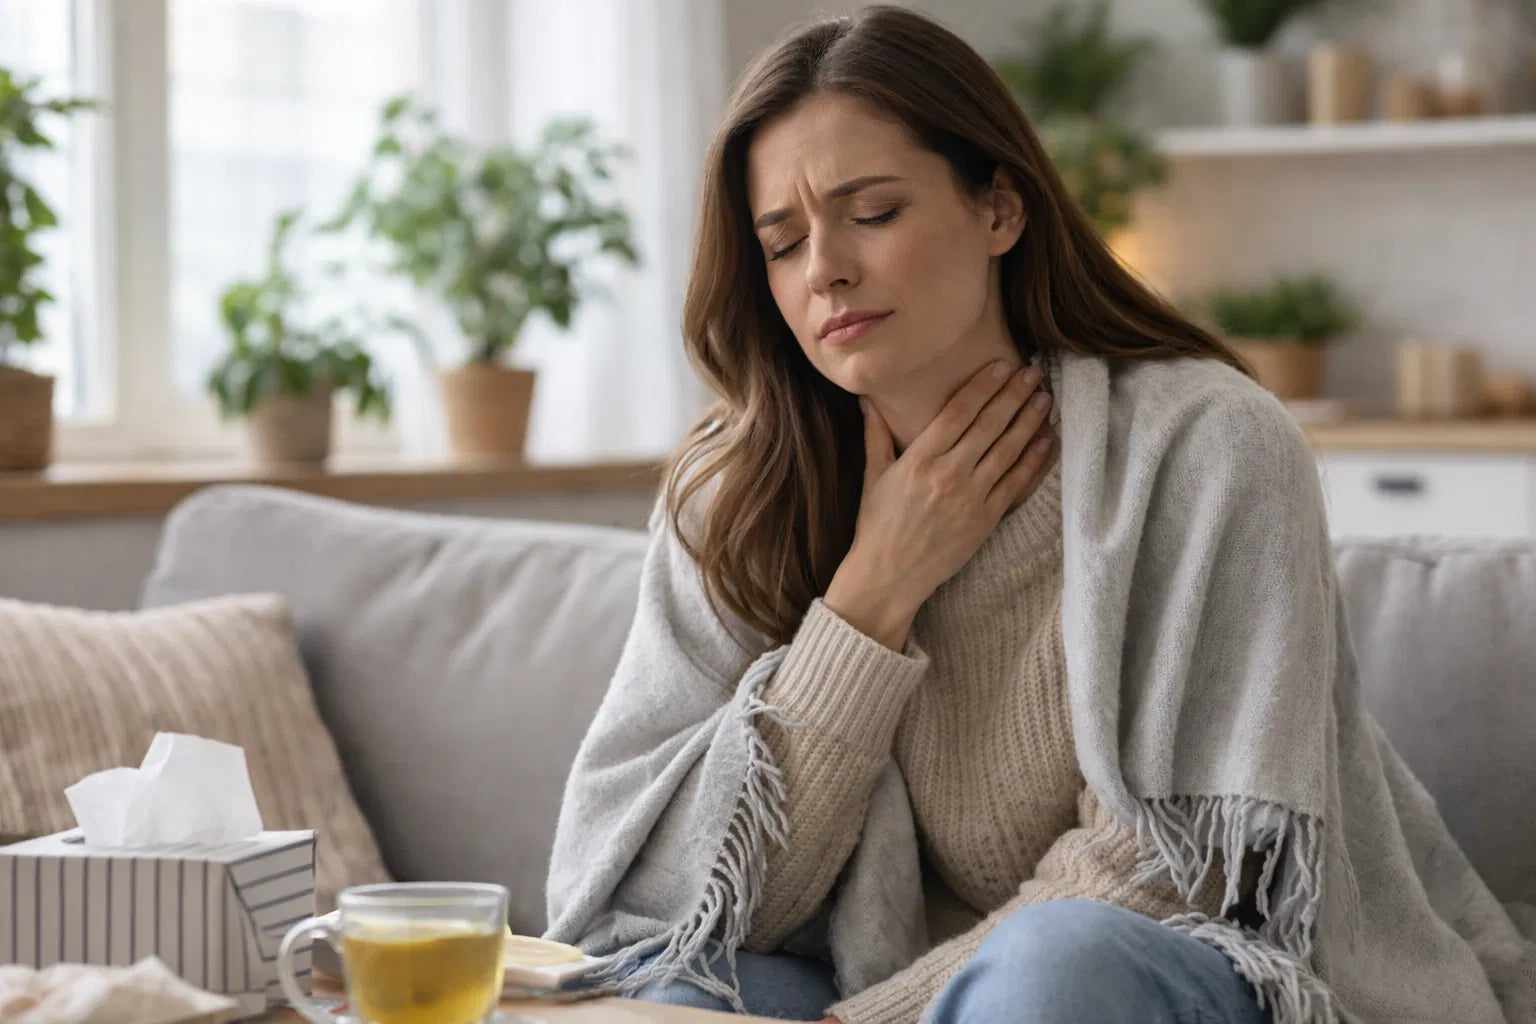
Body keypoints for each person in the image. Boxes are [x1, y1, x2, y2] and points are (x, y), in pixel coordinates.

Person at [544, 7, 1535, 1024]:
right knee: (669, 986)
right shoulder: (734, 493)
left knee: (1056, 966)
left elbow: (1179, 868)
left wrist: (865, 1022)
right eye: (783, 240)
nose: (824, 269)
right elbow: (686, 901)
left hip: (1177, 977)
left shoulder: (1205, 446)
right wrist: (868, 602)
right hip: (872, 972)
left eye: (873, 212)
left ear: (1001, 209)